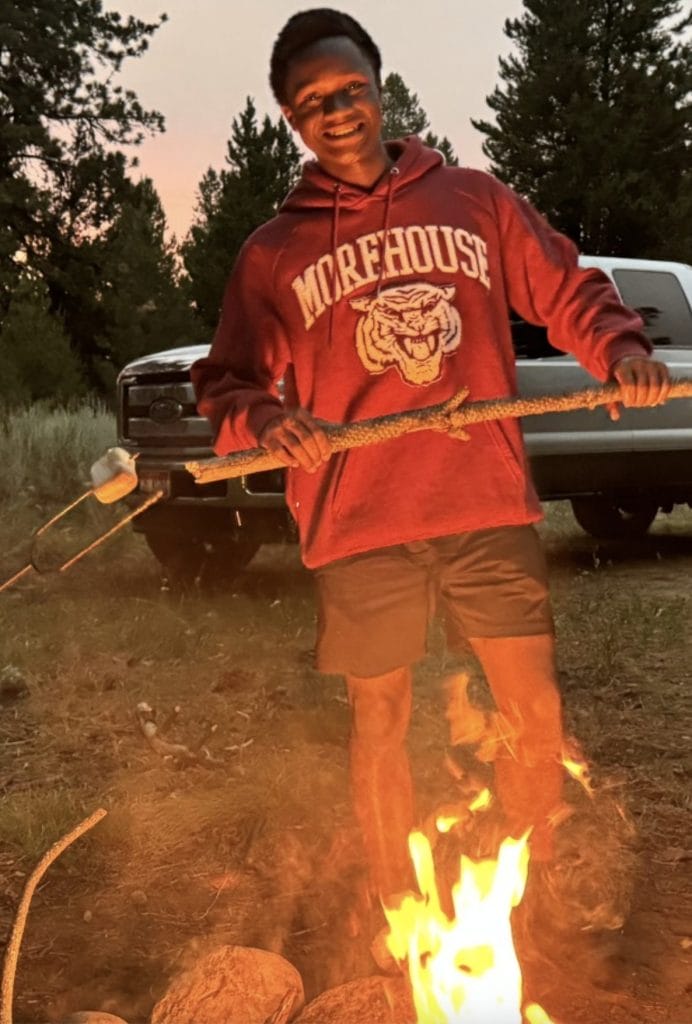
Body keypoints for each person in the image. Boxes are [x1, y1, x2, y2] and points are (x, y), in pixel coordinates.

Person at [191, 8, 671, 901]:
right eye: (312, 101)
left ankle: (527, 889)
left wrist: (621, 351)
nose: (337, 111)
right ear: (291, 119)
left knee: (533, 707)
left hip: (482, 499)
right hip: (358, 517)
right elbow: (227, 380)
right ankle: (395, 906)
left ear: (380, 89)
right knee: (380, 719)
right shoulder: (274, 253)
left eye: (350, 89)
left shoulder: (473, 200)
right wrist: (265, 419)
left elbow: (565, 288)